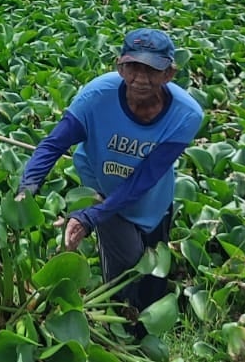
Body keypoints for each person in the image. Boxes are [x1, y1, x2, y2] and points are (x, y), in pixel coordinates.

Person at [16, 28, 204, 314]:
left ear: (169, 74)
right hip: (101, 187)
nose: (140, 79)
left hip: (152, 198)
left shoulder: (186, 114)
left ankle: (139, 331)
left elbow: (146, 177)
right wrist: (26, 188)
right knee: (125, 266)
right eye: (132, 68)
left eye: (151, 70)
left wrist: (88, 218)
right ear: (119, 66)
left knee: (152, 281)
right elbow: (54, 144)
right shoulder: (95, 97)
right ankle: (116, 320)